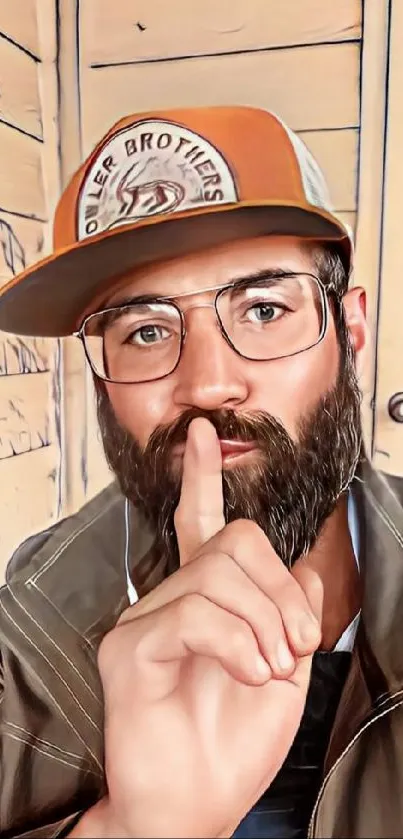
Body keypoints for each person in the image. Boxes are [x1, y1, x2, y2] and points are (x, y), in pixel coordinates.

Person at [0, 104, 402, 839]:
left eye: (262, 309)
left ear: (350, 331)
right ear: (102, 382)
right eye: (147, 331)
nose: (207, 385)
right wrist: (131, 829)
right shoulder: (26, 631)